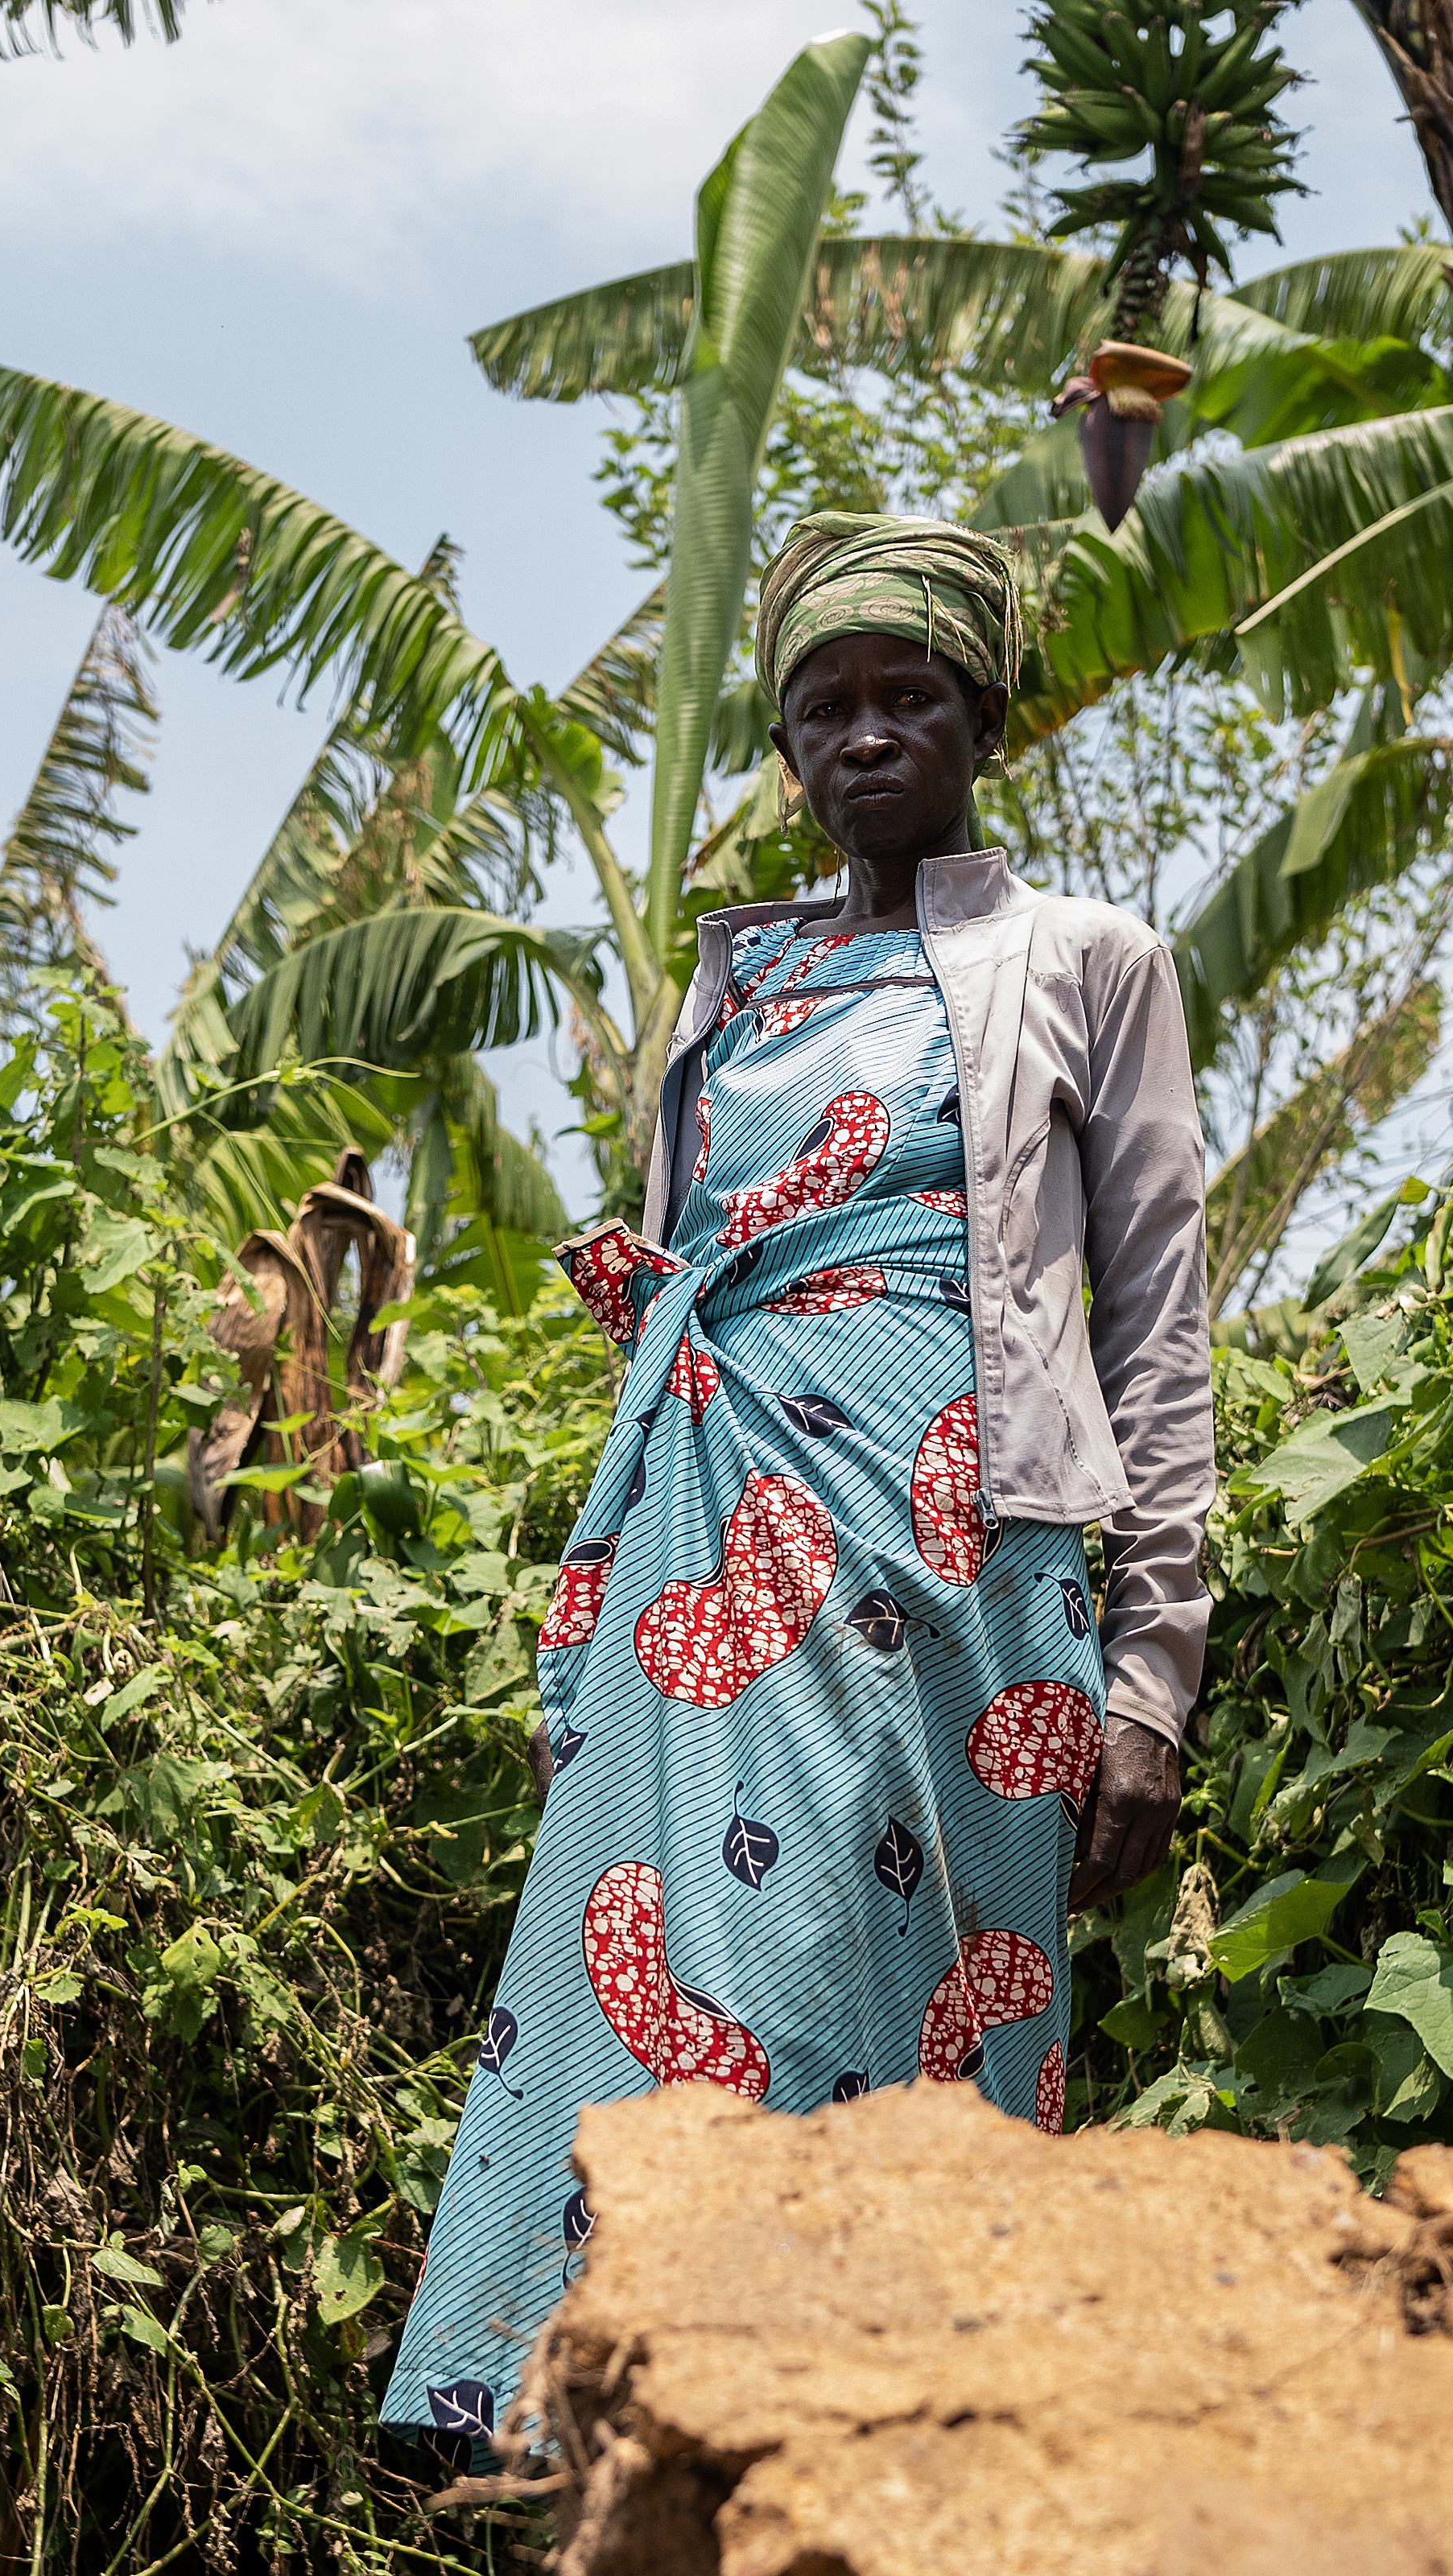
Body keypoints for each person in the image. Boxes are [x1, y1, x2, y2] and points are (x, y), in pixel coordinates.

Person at [379, 512, 1216, 2445]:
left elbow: (1158, 1332)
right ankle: (639, 2439)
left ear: (983, 713)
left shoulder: (1089, 963)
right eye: (821, 706)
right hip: (714, 1541)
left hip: (978, 1570)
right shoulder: (725, 991)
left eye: (904, 693)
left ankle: (915, 2473)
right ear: (783, 744)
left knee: (931, 2009)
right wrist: (591, 1633)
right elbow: (667, 1312)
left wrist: (1153, 1682)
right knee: (707, 1972)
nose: (862, 736)